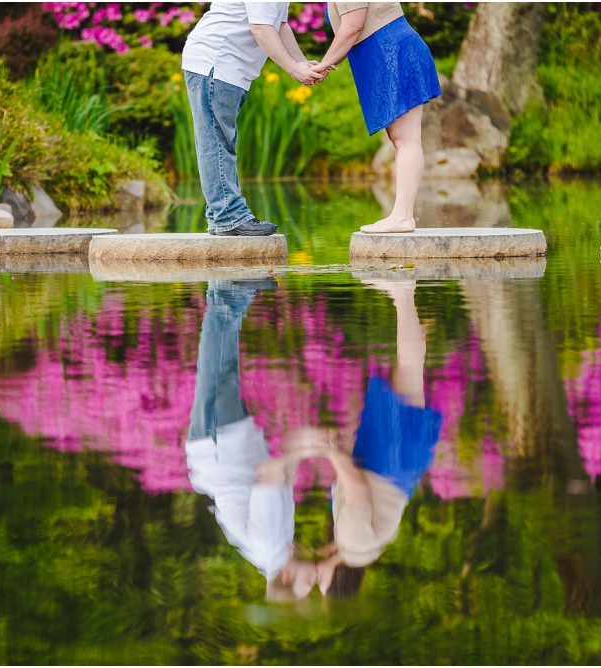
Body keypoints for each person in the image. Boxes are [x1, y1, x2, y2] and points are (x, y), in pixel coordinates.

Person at [184, 279, 325, 601]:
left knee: (219, 370)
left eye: (309, 583)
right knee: (218, 370)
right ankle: (227, 293)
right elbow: (281, 480)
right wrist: (300, 452)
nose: (315, 576)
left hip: (223, 445)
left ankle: (226, 291)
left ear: (287, 576)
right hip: (219, 447)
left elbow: (267, 479)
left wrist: (302, 448)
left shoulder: (272, 545)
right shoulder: (272, 550)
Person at [314, 279, 444, 598]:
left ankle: (404, 298)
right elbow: (357, 490)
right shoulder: (355, 544)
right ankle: (403, 293)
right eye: (323, 583)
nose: (317, 579)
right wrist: (329, 451)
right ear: (339, 578)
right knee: (410, 369)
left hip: (393, 467)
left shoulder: (361, 549)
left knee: (407, 370)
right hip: (388, 461)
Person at [182, 3, 325, 237]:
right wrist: (293, 69)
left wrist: (301, 62)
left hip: (226, 67)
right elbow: (260, 28)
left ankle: (220, 216)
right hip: (216, 62)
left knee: (220, 140)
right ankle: (229, 216)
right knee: (217, 142)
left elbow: (279, 25)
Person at [313, 3, 441, 234]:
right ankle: (401, 214)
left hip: (393, 53)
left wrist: (323, 65)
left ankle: (403, 216)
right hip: (385, 53)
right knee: (402, 138)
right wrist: (327, 62)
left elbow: (353, 26)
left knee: (406, 139)